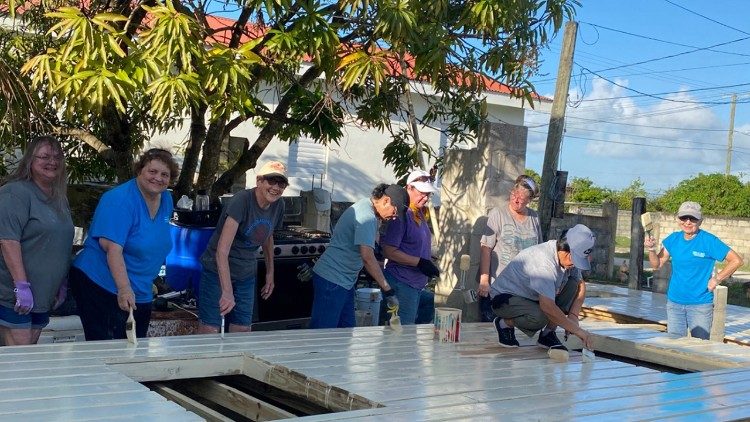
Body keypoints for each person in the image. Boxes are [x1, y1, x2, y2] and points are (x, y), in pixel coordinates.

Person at [70, 148, 178, 341]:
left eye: (164, 174)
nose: (158, 178)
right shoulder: (119, 200)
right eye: (152, 171)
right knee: (110, 349)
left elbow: (152, 241)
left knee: (136, 346)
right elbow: (113, 250)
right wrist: (124, 289)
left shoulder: (166, 199)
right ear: (140, 171)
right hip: (101, 283)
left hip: (140, 287)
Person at [197, 161, 287, 334]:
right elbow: (222, 251)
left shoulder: (278, 205)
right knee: (210, 329)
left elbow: (268, 237)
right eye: (271, 181)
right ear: (259, 181)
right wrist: (227, 291)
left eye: (281, 183)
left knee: (242, 329)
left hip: (246, 271)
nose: (276, 187)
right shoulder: (242, 200)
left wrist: (270, 274)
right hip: (217, 269)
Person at [0, 136, 74, 345]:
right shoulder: (15, 193)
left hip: (43, 296)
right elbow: (7, 241)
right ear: (30, 161)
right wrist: (21, 287)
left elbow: (61, 242)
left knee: (30, 357)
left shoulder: (59, 197)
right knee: (21, 361)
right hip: (13, 296)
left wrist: (62, 282)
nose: (52, 161)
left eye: (57, 157)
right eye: (44, 156)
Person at [310, 184, 407, 329]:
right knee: (323, 336)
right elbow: (367, 257)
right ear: (386, 201)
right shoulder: (367, 217)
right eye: (395, 212)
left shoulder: (367, 208)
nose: (394, 217)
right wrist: (388, 290)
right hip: (332, 280)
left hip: (344, 282)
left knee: (347, 332)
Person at [645, 201, 743, 340]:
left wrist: (717, 279)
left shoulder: (709, 241)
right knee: (674, 347)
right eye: (684, 218)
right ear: (678, 219)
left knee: (699, 348)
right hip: (674, 303)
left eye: (693, 218)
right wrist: (651, 249)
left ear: (700, 221)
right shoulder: (673, 239)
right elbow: (657, 264)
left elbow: (736, 260)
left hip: (700, 304)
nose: (688, 222)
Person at [490, 224, 596, 351]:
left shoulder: (567, 260)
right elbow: (547, 307)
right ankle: (504, 324)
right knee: (540, 317)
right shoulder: (544, 264)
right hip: (504, 299)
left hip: (531, 297)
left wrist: (573, 316)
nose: (575, 265)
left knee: (572, 284)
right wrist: (578, 331)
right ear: (565, 251)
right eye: (575, 260)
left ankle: (548, 334)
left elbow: (581, 285)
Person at [478, 175, 542, 321]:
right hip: (499, 287)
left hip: (524, 288)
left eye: (521, 198)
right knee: (491, 331)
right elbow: (486, 248)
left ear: (529, 201)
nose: (516, 200)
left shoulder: (534, 218)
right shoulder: (498, 214)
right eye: (514, 195)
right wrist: (484, 280)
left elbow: (538, 252)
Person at [380, 169, 440, 325]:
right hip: (401, 282)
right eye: (422, 193)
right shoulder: (401, 214)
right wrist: (420, 262)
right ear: (409, 188)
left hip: (416, 284)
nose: (425, 197)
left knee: (427, 308)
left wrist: (428, 261)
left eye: (428, 194)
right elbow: (389, 251)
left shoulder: (418, 212)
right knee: (401, 334)